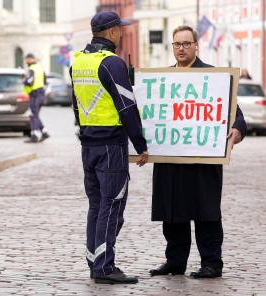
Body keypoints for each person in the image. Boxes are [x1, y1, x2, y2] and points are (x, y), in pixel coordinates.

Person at [149, 25, 247, 279]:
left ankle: (212, 262)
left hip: (203, 160)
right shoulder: (161, 79)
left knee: (206, 213)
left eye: (186, 44)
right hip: (170, 159)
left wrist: (237, 130)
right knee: (172, 215)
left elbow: (237, 116)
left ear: (196, 46)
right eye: (177, 44)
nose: (181, 48)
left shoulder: (214, 78)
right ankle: (175, 262)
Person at [70, 11, 149, 285]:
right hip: (110, 147)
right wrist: (141, 145)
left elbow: (76, 105)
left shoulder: (78, 62)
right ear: (112, 32)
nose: (123, 33)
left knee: (96, 205)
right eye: (120, 29)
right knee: (112, 205)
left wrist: (84, 133)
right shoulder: (112, 63)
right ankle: (104, 267)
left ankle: (95, 260)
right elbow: (127, 108)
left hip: (88, 145)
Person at [23, 53, 49, 143]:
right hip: (41, 93)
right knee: (36, 114)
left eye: (26, 59)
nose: (26, 61)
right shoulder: (40, 68)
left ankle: (34, 135)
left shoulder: (32, 69)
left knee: (33, 115)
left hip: (35, 94)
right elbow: (45, 81)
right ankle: (44, 132)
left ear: (30, 59)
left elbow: (29, 82)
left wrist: (24, 80)